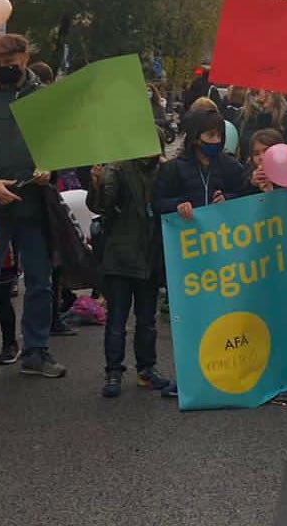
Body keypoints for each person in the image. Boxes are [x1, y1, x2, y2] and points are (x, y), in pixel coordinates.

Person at [0, 35, 66, 379]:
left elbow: (61, 144)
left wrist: (51, 169)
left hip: (35, 205)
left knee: (40, 283)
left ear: (25, 57)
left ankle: (36, 351)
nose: (4, 68)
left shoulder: (46, 98)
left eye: (10, 61)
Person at [89, 146, 175, 399]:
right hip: (121, 256)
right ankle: (113, 371)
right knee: (117, 320)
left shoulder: (164, 171)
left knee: (147, 320)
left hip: (150, 256)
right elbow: (102, 205)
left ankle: (147, 369)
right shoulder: (119, 167)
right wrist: (98, 184)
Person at [155, 110, 251, 223]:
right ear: (195, 138)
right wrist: (177, 205)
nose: (217, 140)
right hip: (188, 229)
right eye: (211, 135)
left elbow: (245, 194)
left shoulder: (231, 165)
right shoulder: (173, 168)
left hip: (222, 228)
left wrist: (227, 198)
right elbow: (157, 203)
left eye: (220, 135)